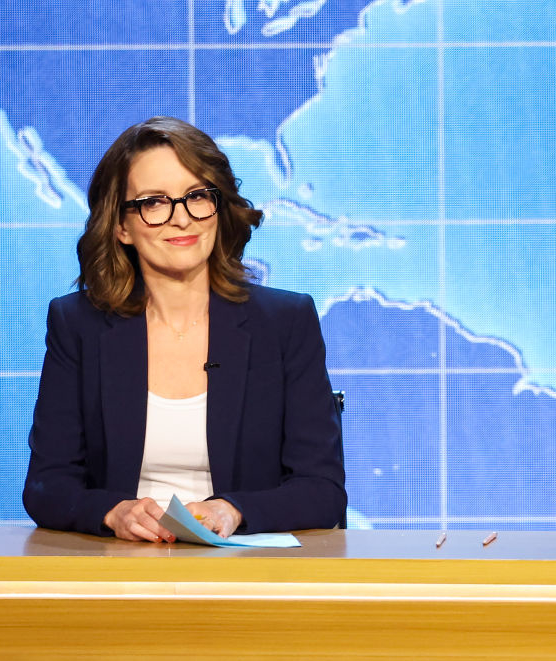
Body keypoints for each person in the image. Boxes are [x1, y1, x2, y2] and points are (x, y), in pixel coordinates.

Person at [23, 116, 346, 541]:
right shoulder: (77, 325)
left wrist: (234, 510)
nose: (182, 219)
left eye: (197, 196)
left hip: (245, 571)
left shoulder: (285, 323)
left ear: (218, 208)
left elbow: (322, 490)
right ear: (122, 225)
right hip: (121, 571)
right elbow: (48, 487)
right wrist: (112, 512)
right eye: (155, 202)